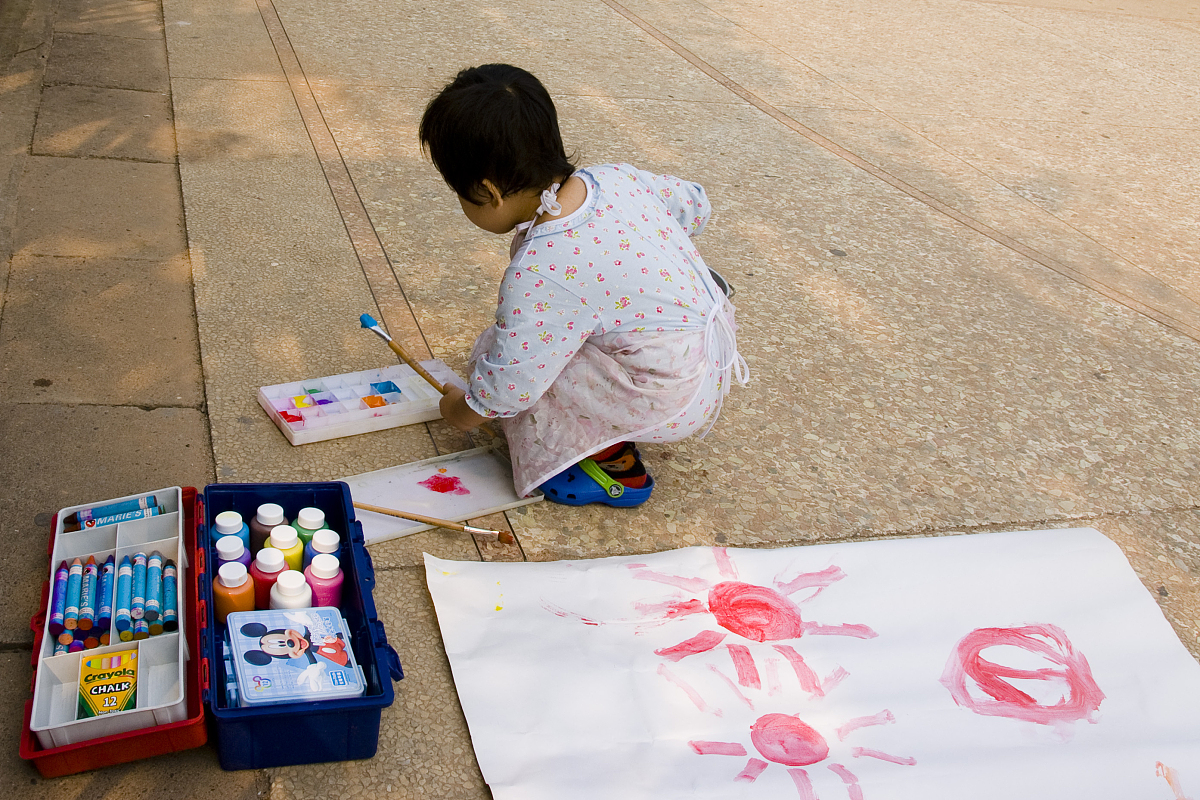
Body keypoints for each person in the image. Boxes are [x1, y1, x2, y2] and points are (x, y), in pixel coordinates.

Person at [419, 64, 748, 507]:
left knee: (501, 358)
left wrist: (460, 410)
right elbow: (695, 204)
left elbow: (508, 389)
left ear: (488, 191)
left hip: (669, 398)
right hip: (712, 358)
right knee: (529, 339)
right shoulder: (616, 177)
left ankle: (607, 460)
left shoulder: (540, 271)